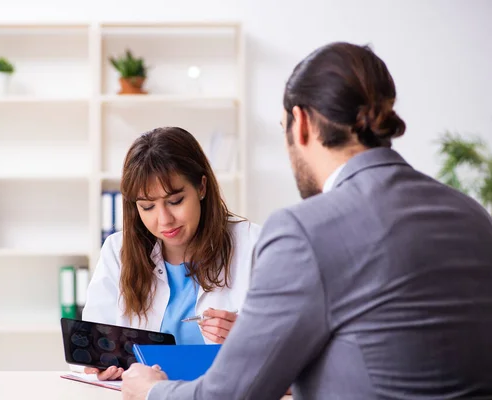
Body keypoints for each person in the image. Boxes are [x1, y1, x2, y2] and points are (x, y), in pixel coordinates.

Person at [121, 42, 492, 399]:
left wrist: (152, 391)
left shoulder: (303, 231)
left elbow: (231, 394)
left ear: (299, 123)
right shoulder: (472, 215)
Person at [81, 126, 261, 381]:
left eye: (175, 201)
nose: (164, 220)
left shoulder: (254, 244)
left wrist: (250, 336)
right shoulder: (117, 252)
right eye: (147, 206)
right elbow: (93, 344)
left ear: (201, 187)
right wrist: (98, 365)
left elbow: (297, 343)